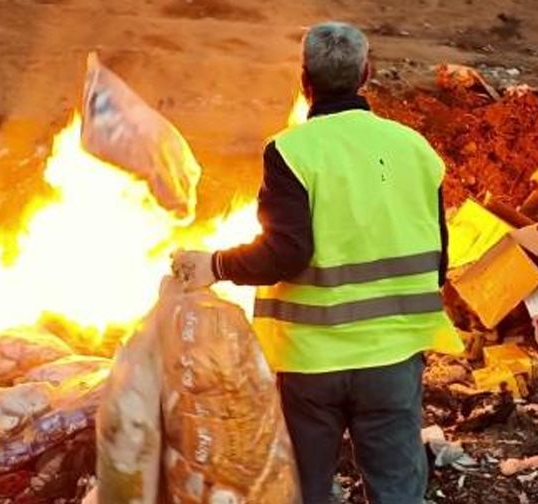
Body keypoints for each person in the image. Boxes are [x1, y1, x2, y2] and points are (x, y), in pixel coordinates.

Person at [171, 21, 463, 504]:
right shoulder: (415, 149)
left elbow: (286, 253)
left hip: (313, 363)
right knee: (396, 489)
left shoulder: (290, 151)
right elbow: (438, 256)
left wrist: (215, 265)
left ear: (303, 80)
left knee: (303, 489)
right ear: (367, 74)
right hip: (393, 356)